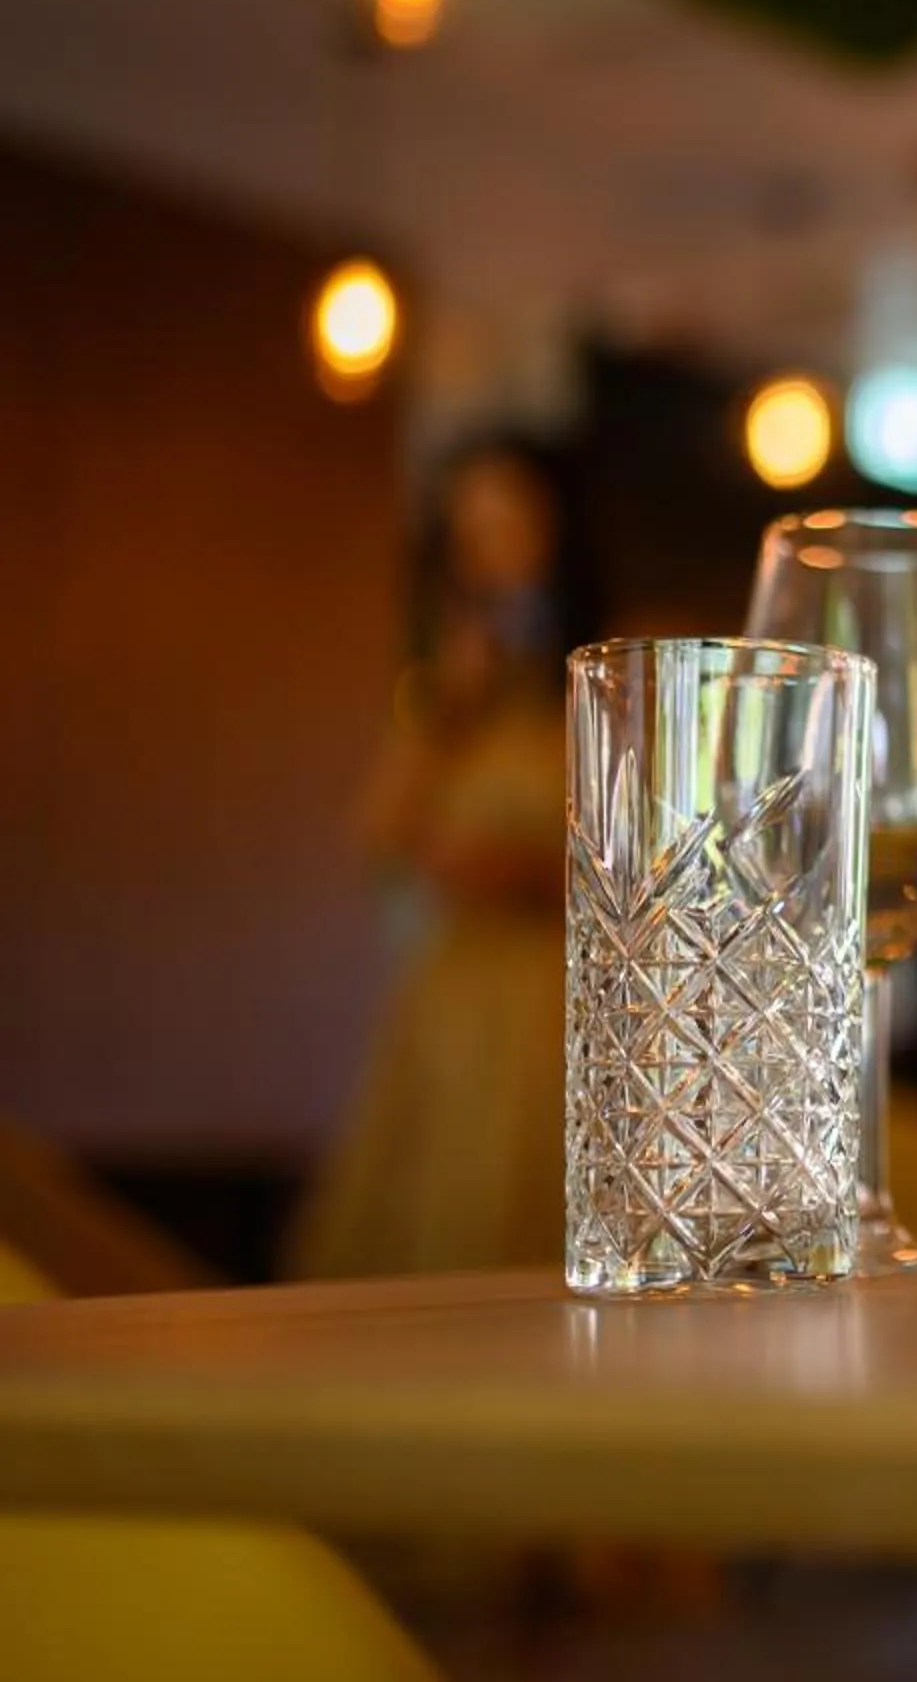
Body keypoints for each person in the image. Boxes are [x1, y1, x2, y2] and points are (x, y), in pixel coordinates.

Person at [291, 436, 594, 1279]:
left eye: (511, 526)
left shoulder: (594, 686)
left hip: (559, 987)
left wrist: (528, 874)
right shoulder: (442, 694)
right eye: (473, 534)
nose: (493, 554)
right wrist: (450, 705)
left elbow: (647, 860)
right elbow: (378, 840)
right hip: (457, 995)